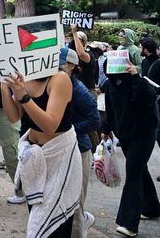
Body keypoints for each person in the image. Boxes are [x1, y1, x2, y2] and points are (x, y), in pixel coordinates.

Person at [1, 60, 82, 237]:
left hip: (58, 157)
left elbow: (50, 125)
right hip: (35, 159)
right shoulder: (25, 78)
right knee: (37, 212)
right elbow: (14, 117)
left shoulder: (59, 79)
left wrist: (23, 96)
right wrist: (4, 87)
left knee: (53, 225)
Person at [102, 56, 160, 237]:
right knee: (140, 170)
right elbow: (110, 109)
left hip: (144, 135)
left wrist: (136, 76)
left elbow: (150, 97)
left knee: (133, 174)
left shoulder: (138, 82)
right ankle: (151, 208)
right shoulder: (111, 85)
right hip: (126, 136)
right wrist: (106, 129)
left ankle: (129, 223)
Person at [58, 47, 101, 237]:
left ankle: (80, 227)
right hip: (64, 150)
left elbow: (94, 120)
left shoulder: (79, 90)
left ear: (71, 66)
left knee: (75, 204)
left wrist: (68, 129)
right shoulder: (60, 85)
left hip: (80, 151)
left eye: (59, 66)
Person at [139, 37, 160, 182]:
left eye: (140, 47)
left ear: (145, 49)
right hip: (149, 107)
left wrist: (155, 90)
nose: (139, 49)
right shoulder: (144, 62)